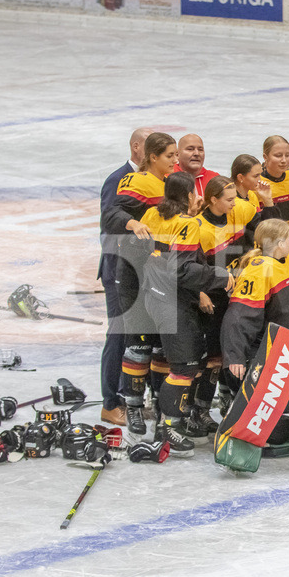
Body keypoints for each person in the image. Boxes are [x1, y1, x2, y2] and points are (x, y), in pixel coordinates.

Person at [142, 172, 233, 455]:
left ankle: (177, 419)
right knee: (184, 366)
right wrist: (220, 275)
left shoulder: (151, 214)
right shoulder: (187, 224)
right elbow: (180, 269)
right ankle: (168, 426)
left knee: (189, 361)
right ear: (190, 196)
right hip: (172, 301)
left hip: (156, 296)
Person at [101, 131, 177, 436]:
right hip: (132, 271)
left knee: (157, 345)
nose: (176, 160)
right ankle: (122, 404)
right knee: (132, 342)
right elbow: (111, 213)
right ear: (153, 156)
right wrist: (131, 223)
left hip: (158, 273)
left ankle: (156, 405)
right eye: (170, 155)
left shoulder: (167, 184)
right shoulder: (136, 180)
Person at [194, 173, 281, 422]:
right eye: (229, 199)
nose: (235, 203)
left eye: (235, 198)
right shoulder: (199, 228)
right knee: (212, 359)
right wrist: (200, 293)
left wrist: (267, 203)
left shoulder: (240, 211)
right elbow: (189, 266)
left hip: (239, 293)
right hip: (211, 299)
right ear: (213, 200)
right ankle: (200, 411)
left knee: (231, 354)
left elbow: (270, 234)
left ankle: (227, 399)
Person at [97, 126, 152, 426]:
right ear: (136, 147)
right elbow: (109, 225)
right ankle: (110, 402)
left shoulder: (151, 181)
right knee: (118, 333)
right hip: (118, 269)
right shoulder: (118, 180)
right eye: (151, 146)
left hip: (138, 270)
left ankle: (126, 395)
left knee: (135, 335)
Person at [221, 219, 289, 389]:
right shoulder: (258, 272)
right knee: (281, 405)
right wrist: (235, 356)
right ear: (280, 244)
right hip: (267, 346)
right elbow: (238, 316)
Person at [260, 135, 289, 228]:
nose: (284, 160)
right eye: (278, 156)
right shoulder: (257, 183)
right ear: (265, 157)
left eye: (287, 155)